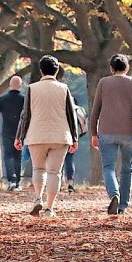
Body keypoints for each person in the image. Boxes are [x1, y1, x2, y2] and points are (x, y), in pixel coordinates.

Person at [15, 55, 79, 217]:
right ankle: (49, 208)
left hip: (36, 135)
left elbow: (25, 115)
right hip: (60, 136)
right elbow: (71, 115)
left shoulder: (32, 88)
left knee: (38, 168)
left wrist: (19, 136)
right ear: (57, 70)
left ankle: (38, 198)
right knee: (54, 172)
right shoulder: (64, 89)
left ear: (41, 70)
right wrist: (75, 137)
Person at [90, 54, 132, 215]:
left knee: (108, 167)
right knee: (127, 169)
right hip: (129, 132)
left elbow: (95, 110)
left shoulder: (103, 82)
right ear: (127, 68)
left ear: (111, 69)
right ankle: (123, 205)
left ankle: (114, 193)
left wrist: (94, 133)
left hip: (106, 132)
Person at [0, 76, 25, 192]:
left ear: (9, 85)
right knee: (18, 156)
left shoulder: (2, 99)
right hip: (20, 132)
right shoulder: (23, 99)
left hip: (6, 131)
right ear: (20, 86)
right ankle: (17, 182)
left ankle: (11, 179)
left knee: (8, 155)